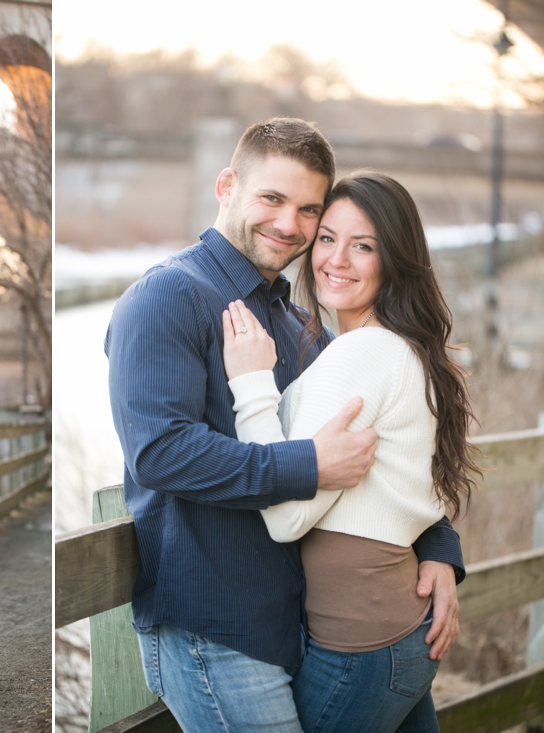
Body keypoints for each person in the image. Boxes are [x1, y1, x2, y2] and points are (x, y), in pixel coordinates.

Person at [104, 118, 466, 732]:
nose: (289, 225)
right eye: (272, 199)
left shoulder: (302, 324)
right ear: (227, 186)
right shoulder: (164, 298)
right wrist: (307, 465)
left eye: (307, 210)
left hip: (295, 620)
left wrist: (435, 546)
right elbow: (161, 451)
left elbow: (383, 446)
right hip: (214, 626)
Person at [222, 171, 480, 732]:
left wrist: (251, 383)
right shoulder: (403, 348)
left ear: (396, 259)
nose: (336, 259)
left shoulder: (363, 354)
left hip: (361, 646)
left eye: (363, 246)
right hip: (396, 635)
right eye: (328, 239)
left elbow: (288, 517)